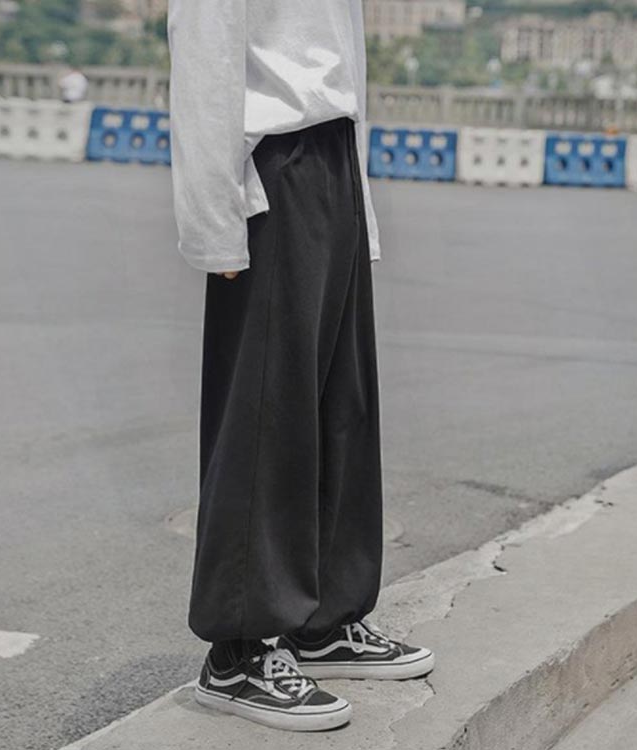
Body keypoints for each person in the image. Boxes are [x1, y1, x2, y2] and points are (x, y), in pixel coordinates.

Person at [167, 0, 435, 732]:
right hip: (274, 167)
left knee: (341, 403)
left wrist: (358, 204)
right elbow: (204, 54)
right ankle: (238, 650)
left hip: (332, 155)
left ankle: (325, 620)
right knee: (268, 411)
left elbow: (343, 57)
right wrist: (214, 221)